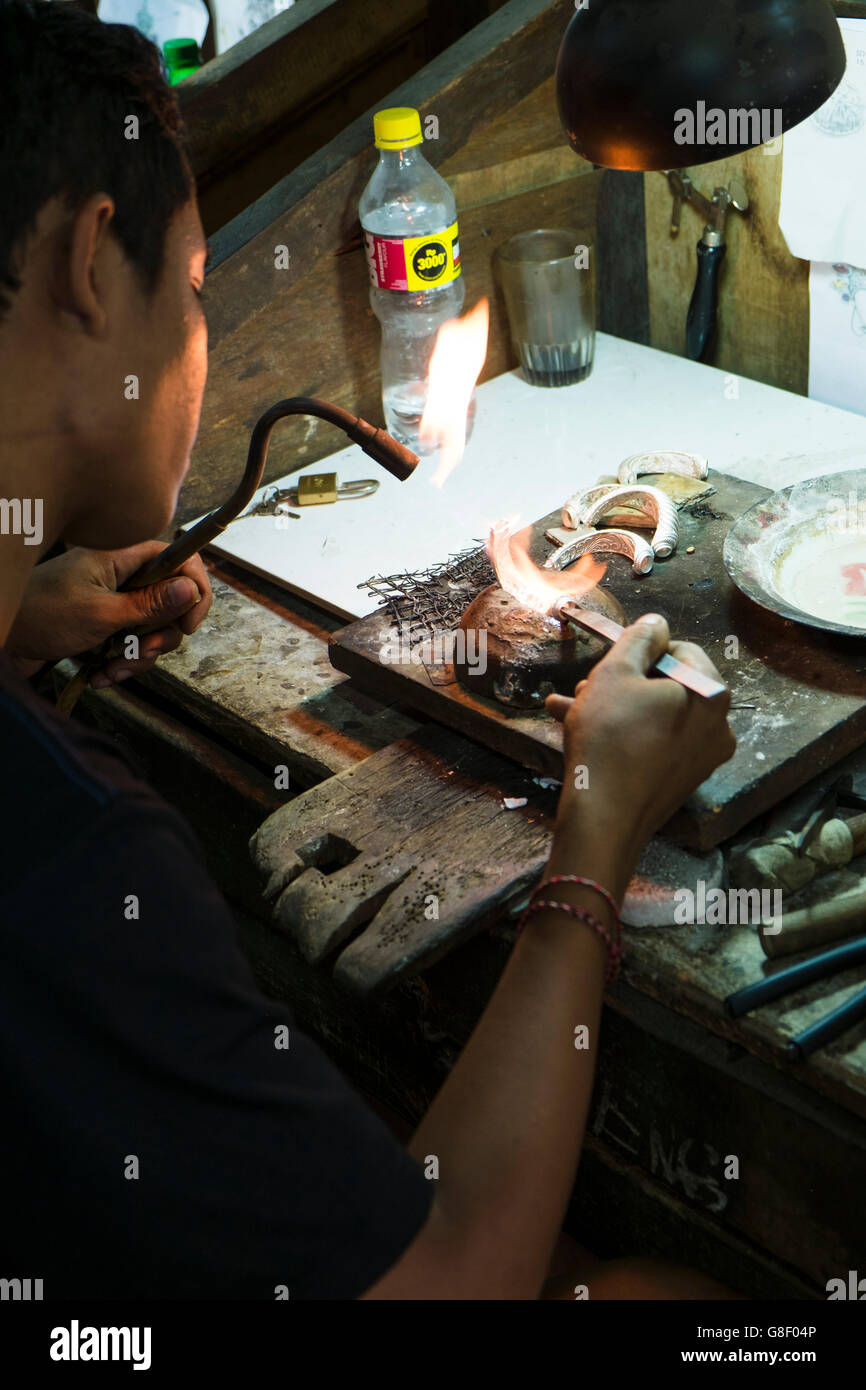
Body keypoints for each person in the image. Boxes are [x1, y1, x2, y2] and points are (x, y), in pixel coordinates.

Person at [0, 0, 737, 1299]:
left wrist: (21, 617)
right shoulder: (72, 859)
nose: (198, 327)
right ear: (87, 262)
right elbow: (444, 1288)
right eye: (187, 288)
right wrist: (594, 836)